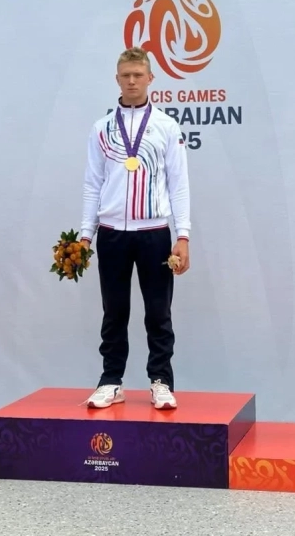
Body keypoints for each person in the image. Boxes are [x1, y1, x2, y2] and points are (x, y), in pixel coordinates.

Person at [80, 46, 191, 410]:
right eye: (126, 75)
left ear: (150, 79)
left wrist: (183, 235)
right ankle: (111, 381)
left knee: (158, 311)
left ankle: (161, 380)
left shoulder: (166, 126)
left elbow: (179, 184)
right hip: (111, 232)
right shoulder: (101, 128)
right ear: (117, 79)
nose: (131, 81)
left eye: (138, 75)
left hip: (154, 233)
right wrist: (85, 235)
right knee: (114, 311)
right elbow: (92, 184)